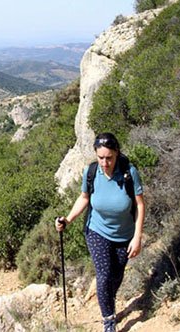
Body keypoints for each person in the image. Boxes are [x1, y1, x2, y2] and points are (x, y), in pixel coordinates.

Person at [55, 132, 146, 332]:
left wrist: (137, 236)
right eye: (101, 158)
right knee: (104, 275)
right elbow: (84, 198)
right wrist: (68, 219)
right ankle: (109, 320)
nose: (105, 163)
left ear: (117, 154)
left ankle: (107, 299)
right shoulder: (91, 171)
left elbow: (140, 205)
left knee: (116, 276)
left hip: (125, 234)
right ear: (96, 156)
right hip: (96, 230)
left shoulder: (129, 173)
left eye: (109, 158)